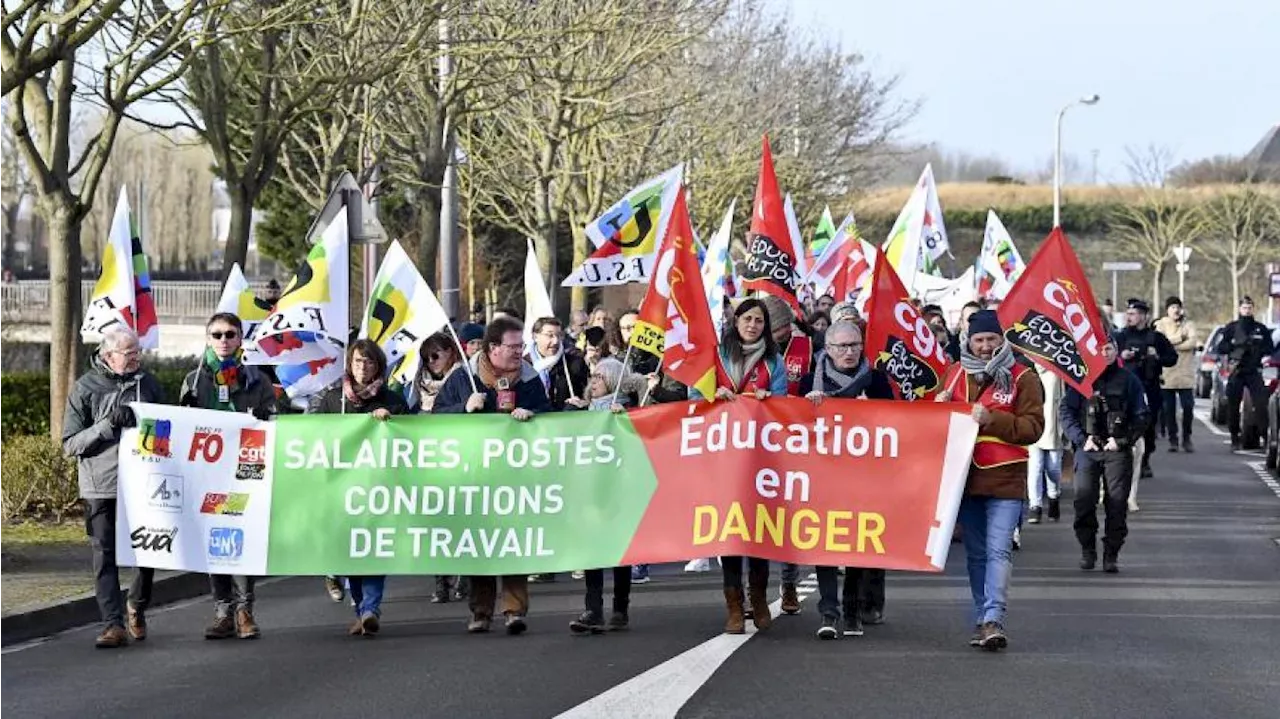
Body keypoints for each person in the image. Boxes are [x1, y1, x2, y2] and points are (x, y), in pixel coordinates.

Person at [936, 310, 1044, 651]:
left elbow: (1033, 428)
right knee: (976, 554)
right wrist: (934, 406)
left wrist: (992, 419)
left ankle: (995, 618)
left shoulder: (1022, 376)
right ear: (968, 341)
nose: (985, 347)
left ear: (1002, 341)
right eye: (979, 340)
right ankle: (982, 618)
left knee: (999, 551)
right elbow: (931, 425)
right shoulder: (953, 376)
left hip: (1006, 479)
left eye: (991, 340)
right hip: (964, 479)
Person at [435, 317, 551, 635]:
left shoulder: (528, 380)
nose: (519, 352)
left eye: (521, 346)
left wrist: (534, 416)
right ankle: (481, 611)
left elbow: (552, 417)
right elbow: (432, 420)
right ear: (493, 348)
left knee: (512, 543)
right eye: (513, 346)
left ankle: (514, 609)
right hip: (475, 477)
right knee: (481, 545)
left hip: (516, 477)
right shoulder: (463, 379)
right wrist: (463, 408)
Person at [62, 326, 164, 648]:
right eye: (129, 353)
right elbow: (70, 444)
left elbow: (166, 429)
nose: (136, 357)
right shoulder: (86, 387)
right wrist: (108, 425)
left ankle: (136, 603)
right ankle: (112, 624)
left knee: (149, 550)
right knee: (104, 554)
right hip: (101, 485)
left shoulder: (149, 385)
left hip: (143, 483)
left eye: (138, 351)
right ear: (108, 356)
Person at [178, 313, 277, 640]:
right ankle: (223, 610)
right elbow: (181, 430)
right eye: (217, 335)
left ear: (240, 339)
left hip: (244, 471)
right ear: (208, 339)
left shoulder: (257, 381)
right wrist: (186, 411)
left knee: (241, 538)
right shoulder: (193, 380)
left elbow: (277, 423)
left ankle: (245, 610)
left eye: (230, 334)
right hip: (208, 473)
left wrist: (267, 418)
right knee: (214, 542)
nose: (223, 340)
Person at [693, 298, 788, 634]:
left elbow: (785, 404)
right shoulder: (715, 356)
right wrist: (712, 395)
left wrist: (770, 400)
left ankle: (759, 598)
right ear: (736, 321)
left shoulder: (774, 361)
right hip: (723, 457)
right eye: (747, 319)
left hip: (760, 458)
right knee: (730, 531)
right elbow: (694, 397)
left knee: (758, 530)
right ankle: (734, 605)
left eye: (759, 321)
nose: (752, 325)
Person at [799, 320, 894, 639]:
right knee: (824, 543)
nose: (849, 352)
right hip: (823, 477)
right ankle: (828, 612)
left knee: (856, 542)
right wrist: (806, 409)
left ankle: (852, 610)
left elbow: (899, 424)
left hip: (864, 477)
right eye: (842, 346)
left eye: (854, 345)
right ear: (828, 349)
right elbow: (789, 429)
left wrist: (874, 412)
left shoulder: (877, 380)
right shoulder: (809, 382)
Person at [308, 340, 410, 635]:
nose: (362, 368)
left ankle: (370, 608)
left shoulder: (392, 401)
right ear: (349, 365)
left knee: (374, 548)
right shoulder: (333, 400)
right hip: (341, 490)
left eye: (368, 362)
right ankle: (360, 609)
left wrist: (387, 424)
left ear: (378, 366)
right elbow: (313, 436)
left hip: (379, 488)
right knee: (350, 550)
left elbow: (412, 438)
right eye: (357, 362)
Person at [1060, 333, 1148, 573]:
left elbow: (1141, 416)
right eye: (1099, 349)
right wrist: (1081, 439)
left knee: (1117, 504)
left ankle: (1111, 554)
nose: (1104, 353)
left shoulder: (1129, 381)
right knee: (1084, 502)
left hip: (1116, 450)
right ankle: (1087, 550)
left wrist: (1122, 441)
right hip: (1088, 449)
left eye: (1108, 349)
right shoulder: (1081, 381)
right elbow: (1066, 413)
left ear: (1115, 351)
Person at [567, 358, 634, 633]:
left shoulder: (630, 408)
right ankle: (593, 609)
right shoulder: (582, 411)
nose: (593, 382)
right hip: (589, 487)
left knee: (619, 550)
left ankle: (620, 608)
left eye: (600, 377)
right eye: (592, 377)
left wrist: (628, 418)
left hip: (620, 487)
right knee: (593, 549)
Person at [526, 317, 588, 584]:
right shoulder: (523, 365)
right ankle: (544, 561)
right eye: (548, 335)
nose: (554, 342)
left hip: (566, 438)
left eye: (558, 336)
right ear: (535, 336)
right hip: (534, 442)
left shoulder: (573, 363)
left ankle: (577, 556)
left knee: (570, 499)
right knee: (541, 502)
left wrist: (579, 404)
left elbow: (588, 394)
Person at [761, 296, 813, 614]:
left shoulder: (806, 348)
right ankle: (753, 589)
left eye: (779, 328)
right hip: (757, 441)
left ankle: (789, 582)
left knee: (789, 513)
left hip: (796, 440)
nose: (775, 334)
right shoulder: (749, 350)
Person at [1111, 300, 1176, 477]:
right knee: (1120, 423)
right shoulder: (1120, 337)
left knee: (1147, 425)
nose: (1128, 317)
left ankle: (1145, 460)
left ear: (1143, 316)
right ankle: (1122, 460)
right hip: (1123, 389)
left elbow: (1172, 358)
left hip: (1149, 387)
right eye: (1127, 313)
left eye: (1133, 314)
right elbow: (1104, 356)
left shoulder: (1155, 338)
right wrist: (1120, 356)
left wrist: (1157, 357)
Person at [1215, 296, 1275, 450]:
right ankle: (1235, 437)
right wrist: (1235, 346)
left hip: (1253, 371)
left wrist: (1259, 350)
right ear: (1239, 309)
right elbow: (1221, 347)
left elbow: (1270, 349)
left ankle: (1264, 436)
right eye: (1244, 308)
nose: (1247, 311)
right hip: (1237, 371)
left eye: (1249, 308)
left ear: (1252, 309)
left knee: (1261, 404)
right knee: (1233, 405)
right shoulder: (1232, 328)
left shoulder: (1260, 329)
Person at [1153, 297, 1198, 453]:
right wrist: (1179, 339)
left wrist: (1171, 344)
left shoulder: (1189, 324)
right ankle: (1173, 439)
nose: (1176, 310)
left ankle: (1187, 438)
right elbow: (1160, 343)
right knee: (1168, 410)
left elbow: (1192, 342)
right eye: (1172, 307)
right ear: (1167, 310)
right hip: (1167, 373)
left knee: (1188, 407)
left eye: (1178, 307)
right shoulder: (1161, 324)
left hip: (1185, 374)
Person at [1027, 364, 1064, 525]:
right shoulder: (1027, 367)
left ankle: (1053, 496)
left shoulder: (1059, 367)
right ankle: (1035, 506)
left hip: (1054, 424)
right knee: (1035, 467)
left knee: (1053, 467)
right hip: (1033, 422)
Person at [415, 333, 465, 414]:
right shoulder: (421, 384)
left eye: (435, 356)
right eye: (426, 358)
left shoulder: (462, 377)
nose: (431, 361)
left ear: (449, 351)